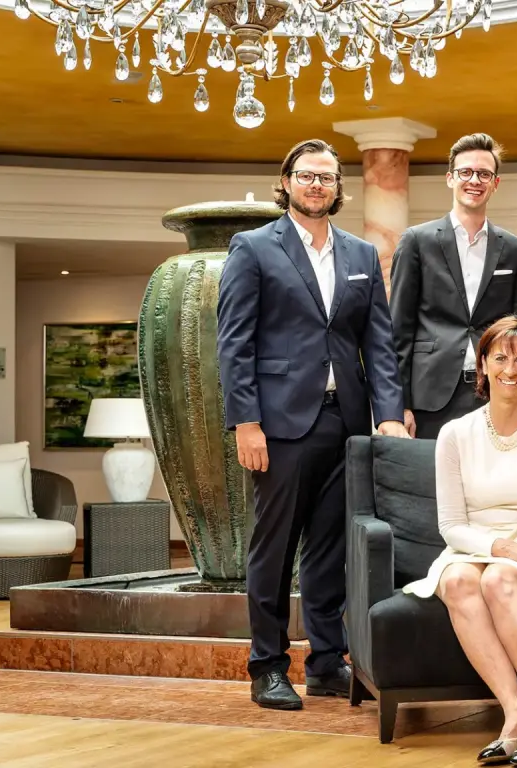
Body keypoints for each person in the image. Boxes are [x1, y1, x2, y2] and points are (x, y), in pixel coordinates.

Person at [216, 138, 409, 710]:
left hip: (344, 423)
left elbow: (379, 343)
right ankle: (267, 665)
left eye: (327, 177)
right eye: (307, 176)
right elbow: (234, 343)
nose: (317, 185)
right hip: (277, 425)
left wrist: (390, 416)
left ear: (338, 187)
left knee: (331, 549)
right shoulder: (252, 248)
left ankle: (327, 662)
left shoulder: (359, 255)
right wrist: (245, 421)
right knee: (273, 550)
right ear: (288, 181)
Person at [402, 316, 517, 767]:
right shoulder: (454, 433)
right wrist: (505, 547)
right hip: (474, 545)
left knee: (500, 582)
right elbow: (451, 526)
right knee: (461, 582)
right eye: (500, 357)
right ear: (482, 365)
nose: (510, 368)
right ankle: (516, 716)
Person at [389, 132, 517, 440]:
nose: (474, 180)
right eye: (465, 172)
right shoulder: (417, 241)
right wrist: (397, 405)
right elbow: (399, 329)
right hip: (429, 396)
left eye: (484, 174)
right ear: (450, 178)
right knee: (432, 487)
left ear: (495, 183)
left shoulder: (515, 249)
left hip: (496, 390)